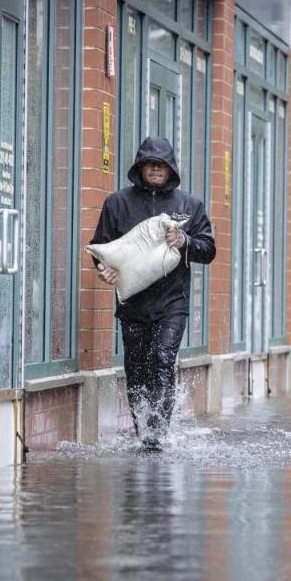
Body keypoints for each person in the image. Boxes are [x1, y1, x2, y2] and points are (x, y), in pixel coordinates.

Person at [90, 136, 216, 451]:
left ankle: (157, 434)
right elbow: (102, 247)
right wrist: (103, 269)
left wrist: (184, 241)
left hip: (172, 303)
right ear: (140, 167)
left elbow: (209, 250)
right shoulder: (117, 203)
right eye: (150, 164)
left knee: (161, 359)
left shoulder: (189, 205)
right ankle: (142, 430)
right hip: (133, 303)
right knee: (136, 368)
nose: (155, 170)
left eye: (161, 165)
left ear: (170, 168)